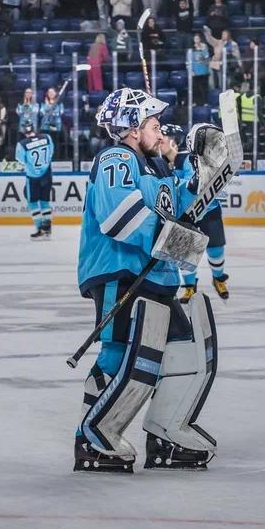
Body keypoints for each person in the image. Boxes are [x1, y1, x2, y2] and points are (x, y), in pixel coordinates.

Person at [75, 89, 221, 473]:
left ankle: (167, 434)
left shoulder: (158, 171)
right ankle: (94, 440)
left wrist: (205, 173)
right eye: (154, 126)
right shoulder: (117, 158)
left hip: (155, 276)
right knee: (122, 353)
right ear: (132, 129)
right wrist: (175, 238)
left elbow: (185, 209)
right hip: (119, 272)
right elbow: (120, 217)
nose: (161, 134)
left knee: (181, 351)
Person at [164, 124, 228, 301]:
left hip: (208, 211)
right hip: (184, 214)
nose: (159, 140)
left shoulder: (188, 158)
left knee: (215, 250)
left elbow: (198, 184)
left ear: (173, 142)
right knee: (182, 253)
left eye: (164, 137)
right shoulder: (159, 161)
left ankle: (219, 278)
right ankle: (189, 287)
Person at [16, 123, 54, 240]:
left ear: (24, 132)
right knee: (45, 201)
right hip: (47, 174)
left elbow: (21, 162)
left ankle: (39, 229)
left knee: (32, 202)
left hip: (32, 177)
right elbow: (51, 153)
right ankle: (47, 230)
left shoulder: (22, 144)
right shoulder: (47, 137)